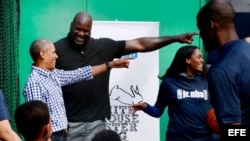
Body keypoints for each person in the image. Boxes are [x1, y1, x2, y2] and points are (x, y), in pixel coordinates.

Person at [54, 11, 198, 141]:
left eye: (85, 31)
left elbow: (140, 44)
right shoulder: (56, 50)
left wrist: (175, 38)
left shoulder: (103, 46)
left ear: (91, 31)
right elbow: (48, 86)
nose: (81, 34)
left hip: (96, 123)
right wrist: (57, 119)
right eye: (77, 29)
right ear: (71, 25)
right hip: (69, 125)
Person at [23, 39, 131, 141]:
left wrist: (110, 65)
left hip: (60, 135)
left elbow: (79, 74)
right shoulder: (34, 82)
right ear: (43, 54)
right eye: (53, 52)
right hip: (51, 137)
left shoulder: (53, 74)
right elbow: (38, 122)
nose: (56, 56)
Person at [131, 45, 215, 141]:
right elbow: (157, 111)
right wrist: (145, 106)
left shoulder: (206, 80)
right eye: (199, 57)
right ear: (188, 60)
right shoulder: (169, 83)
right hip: (177, 138)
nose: (202, 60)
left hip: (204, 138)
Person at [196, 0, 250, 139]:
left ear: (211, 25)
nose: (201, 36)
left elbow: (233, 132)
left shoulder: (221, 70)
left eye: (201, 29)